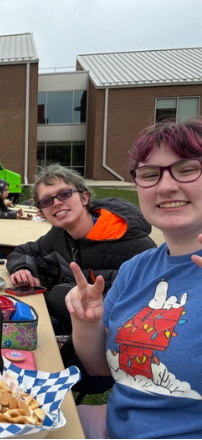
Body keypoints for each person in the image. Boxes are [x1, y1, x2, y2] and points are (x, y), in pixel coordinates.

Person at [66, 119, 202, 439]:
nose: (165, 187)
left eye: (186, 169)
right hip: (116, 427)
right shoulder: (137, 269)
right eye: (150, 174)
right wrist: (87, 323)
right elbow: (102, 368)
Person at [6, 164, 156, 336]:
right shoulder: (59, 236)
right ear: (42, 213)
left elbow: (150, 312)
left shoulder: (134, 246)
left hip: (121, 337)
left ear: (84, 198)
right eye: (47, 201)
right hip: (79, 325)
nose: (56, 203)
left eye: (64, 194)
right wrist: (22, 268)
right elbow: (24, 252)